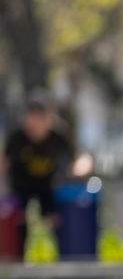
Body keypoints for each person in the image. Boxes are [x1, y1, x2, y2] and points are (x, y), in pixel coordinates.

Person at [0, 91, 92, 259]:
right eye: (29, 117)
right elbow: (4, 161)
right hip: (21, 187)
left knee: (58, 221)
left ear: (48, 119)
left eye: (38, 118)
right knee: (18, 223)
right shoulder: (17, 138)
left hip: (48, 187)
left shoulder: (58, 136)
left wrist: (81, 167)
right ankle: (17, 265)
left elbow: (80, 157)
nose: (32, 124)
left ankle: (63, 262)